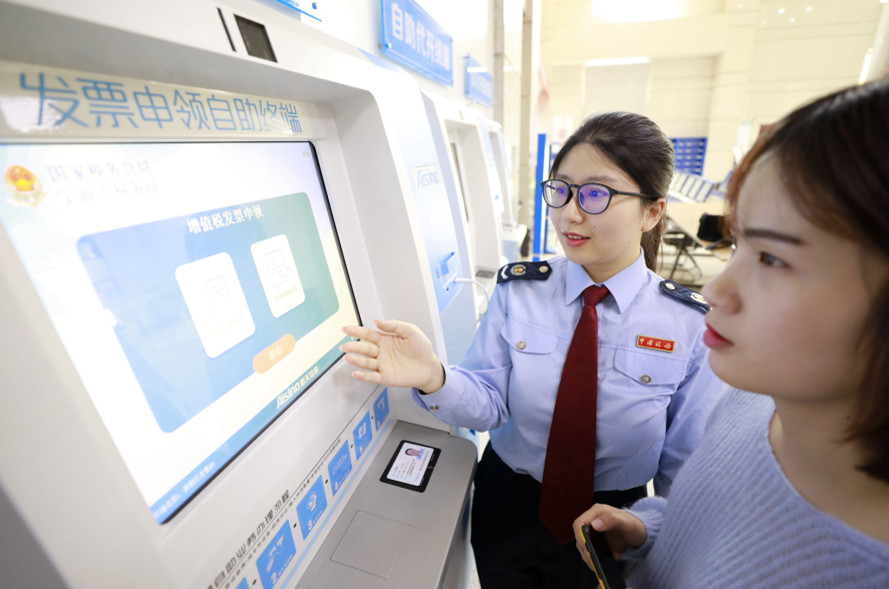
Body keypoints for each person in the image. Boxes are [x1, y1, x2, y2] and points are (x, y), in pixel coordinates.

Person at [341, 111, 723, 588]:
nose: (570, 214)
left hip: (613, 523)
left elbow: (685, 469)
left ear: (652, 211)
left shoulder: (688, 325)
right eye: (561, 190)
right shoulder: (520, 290)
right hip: (506, 503)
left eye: (596, 195)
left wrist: (653, 532)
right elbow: (489, 402)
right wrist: (434, 376)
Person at [572, 79, 889, 587]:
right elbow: (706, 526)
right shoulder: (752, 403)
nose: (717, 290)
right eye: (739, 245)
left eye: (773, 258)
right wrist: (649, 530)